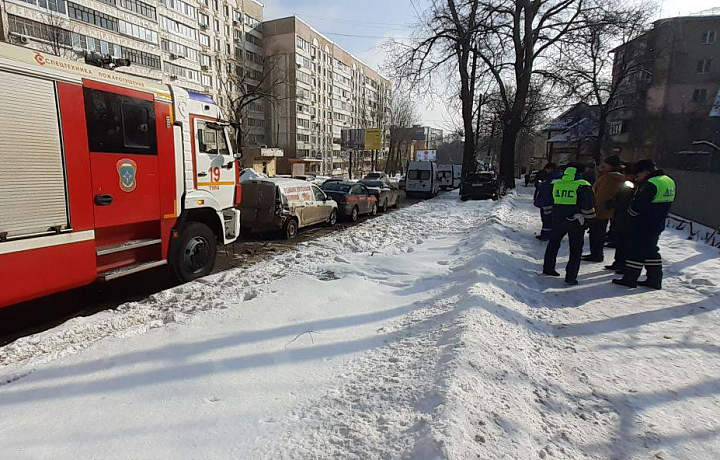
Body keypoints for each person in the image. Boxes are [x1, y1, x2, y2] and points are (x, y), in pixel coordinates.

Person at [613, 159, 676, 289]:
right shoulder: (668, 181)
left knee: (636, 250)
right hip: (657, 221)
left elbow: (637, 206)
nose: (637, 177)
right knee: (651, 250)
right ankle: (654, 279)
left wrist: (628, 216)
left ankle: (630, 278)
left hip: (643, 223)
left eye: (639, 174)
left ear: (646, 172)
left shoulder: (651, 184)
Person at [543, 164, 596, 285]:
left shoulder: (556, 183)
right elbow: (588, 206)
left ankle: (548, 268)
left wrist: (549, 217)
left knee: (553, 244)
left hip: (558, 219)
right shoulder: (583, 185)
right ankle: (571, 277)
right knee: (576, 250)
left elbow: (547, 202)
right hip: (576, 221)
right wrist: (590, 221)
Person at [582, 155, 625, 262]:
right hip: (603, 210)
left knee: (597, 233)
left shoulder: (611, 179)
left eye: (605, 165)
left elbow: (601, 195)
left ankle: (596, 254)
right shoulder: (609, 177)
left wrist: (591, 204)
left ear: (611, 167)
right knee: (597, 233)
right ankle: (596, 253)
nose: (602, 167)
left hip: (600, 210)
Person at [604, 163, 637, 273]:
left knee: (627, 242)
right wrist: (613, 200)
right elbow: (620, 194)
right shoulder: (627, 184)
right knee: (620, 240)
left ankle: (625, 265)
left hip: (629, 217)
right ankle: (618, 262)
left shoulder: (637, 186)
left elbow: (629, 200)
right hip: (620, 215)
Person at [534, 163, 559, 241]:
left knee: (547, 219)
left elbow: (544, 190)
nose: (546, 171)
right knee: (553, 219)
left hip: (548, 201)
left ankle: (545, 235)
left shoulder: (550, 178)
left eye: (547, 169)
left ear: (550, 169)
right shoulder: (559, 177)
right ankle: (553, 234)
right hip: (557, 201)